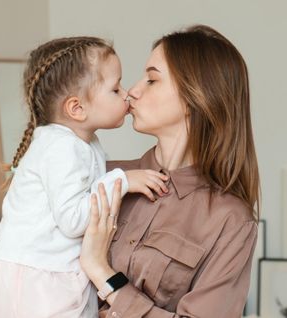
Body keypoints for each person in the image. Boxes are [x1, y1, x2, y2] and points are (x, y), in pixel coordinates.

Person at [0, 36, 168, 317]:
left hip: (47, 274)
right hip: (32, 280)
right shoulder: (60, 146)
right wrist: (123, 181)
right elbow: (72, 219)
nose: (126, 94)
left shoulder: (83, 144)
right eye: (115, 89)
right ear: (77, 108)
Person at [80, 25, 260, 318]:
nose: (132, 92)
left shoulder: (230, 221)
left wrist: (103, 274)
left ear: (196, 96)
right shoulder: (102, 176)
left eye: (151, 80)